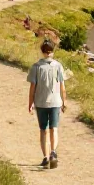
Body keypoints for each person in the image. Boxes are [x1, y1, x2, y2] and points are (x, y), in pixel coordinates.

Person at [27, 38, 67, 169]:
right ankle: (53, 152)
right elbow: (62, 86)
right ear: (52, 51)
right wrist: (64, 101)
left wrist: (30, 103)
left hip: (41, 102)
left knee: (43, 130)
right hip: (55, 102)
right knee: (53, 128)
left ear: (42, 52)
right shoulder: (58, 66)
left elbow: (32, 87)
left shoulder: (36, 67)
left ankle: (45, 157)